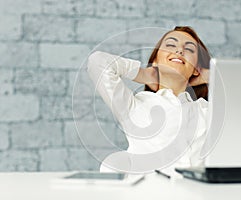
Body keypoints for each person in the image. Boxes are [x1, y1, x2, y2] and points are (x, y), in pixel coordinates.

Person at [87, 26, 213, 175]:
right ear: (155, 61)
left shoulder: (207, 110)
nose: (179, 51)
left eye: (190, 49)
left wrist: (207, 76)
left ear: (196, 69)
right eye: (171, 45)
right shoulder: (135, 106)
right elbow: (97, 62)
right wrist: (143, 74)